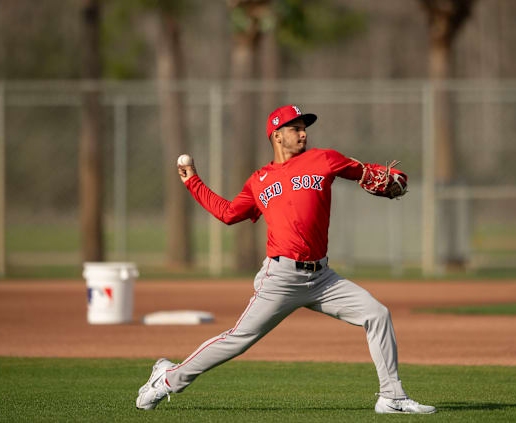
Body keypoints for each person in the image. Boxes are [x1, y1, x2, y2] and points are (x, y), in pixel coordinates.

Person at [135, 104, 436, 415]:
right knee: (238, 340)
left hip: (322, 278)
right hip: (281, 278)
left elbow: (364, 172)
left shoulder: (324, 159)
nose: (303, 133)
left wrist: (383, 177)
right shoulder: (259, 180)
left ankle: (392, 397)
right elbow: (227, 214)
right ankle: (167, 379)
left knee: (377, 314)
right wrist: (193, 182)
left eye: (304, 127)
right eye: (296, 128)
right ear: (277, 136)